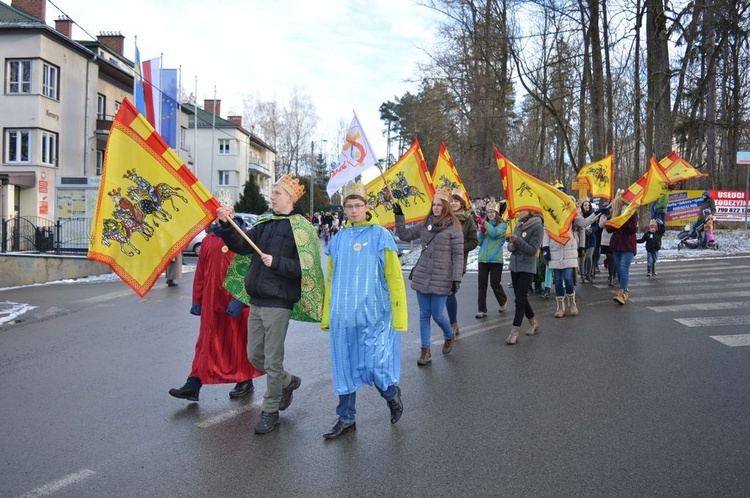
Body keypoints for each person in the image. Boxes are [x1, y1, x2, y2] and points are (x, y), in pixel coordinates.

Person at [216, 174, 324, 435]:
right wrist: (226, 225)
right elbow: (242, 246)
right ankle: (288, 382)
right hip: (257, 300)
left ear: (290, 198)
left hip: (279, 302)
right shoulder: (265, 222)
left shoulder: (302, 229)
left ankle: (270, 410)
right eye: (273, 192)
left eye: (276, 193)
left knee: (273, 360)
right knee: (255, 356)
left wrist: (276, 262)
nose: (271, 197)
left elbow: (305, 270)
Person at [320, 182, 407, 440]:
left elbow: (393, 277)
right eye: (349, 206)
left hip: (374, 316)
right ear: (344, 209)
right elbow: (332, 280)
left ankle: (391, 394)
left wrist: (399, 315)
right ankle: (346, 418)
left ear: (367, 207)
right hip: (343, 317)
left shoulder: (380, 236)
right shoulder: (339, 239)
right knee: (344, 368)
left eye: (358, 206)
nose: (354, 210)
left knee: (374, 364)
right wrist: (328, 315)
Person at [169, 226, 264, 402]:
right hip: (211, 302)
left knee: (236, 342)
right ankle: (194, 383)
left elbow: (252, 271)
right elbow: (201, 274)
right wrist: (197, 301)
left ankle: (245, 379)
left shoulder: (242, 239)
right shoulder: (208, 240)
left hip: (234, 302)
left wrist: (242, 299)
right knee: (206, 342)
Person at [394, 186, 463, 366]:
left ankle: (449, 335)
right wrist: (399, 216)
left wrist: (456, 279)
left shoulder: (455, 228)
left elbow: (458, 255)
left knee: (437, 314)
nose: (436, 208)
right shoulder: (426, 224)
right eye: (434, 204)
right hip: (423, 274)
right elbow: (405, 235)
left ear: (446, 206)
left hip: (443, 276)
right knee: (424, 314)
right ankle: (425, 351)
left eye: (439, 205)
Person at [542, 199, 600, 318]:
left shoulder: (572, 214)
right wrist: (546, 248)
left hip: (569, 249)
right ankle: (560, 307)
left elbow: (583, 224)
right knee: (557, 281)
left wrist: (597, 213)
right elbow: (546, 231)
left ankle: (572, 303)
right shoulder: (551, 215)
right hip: (555, 250)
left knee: (568, 279)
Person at [506, 210, 544, 345]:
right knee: (519, 297)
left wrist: (517, 241)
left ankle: (515, 330)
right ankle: (533, 322)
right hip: (515, 266)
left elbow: (533, 250)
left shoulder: (538, 227)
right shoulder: (518, 224)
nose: (519, 211)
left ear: (530, 211)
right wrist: (511, 246)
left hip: (527, 267)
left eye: (523, 209)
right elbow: (512, 246)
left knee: (520, 299)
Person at [446, 188, 478, 338]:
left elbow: (474, 241)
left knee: (450, 292)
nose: (453, 203)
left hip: (458, 262)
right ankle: (450, 323)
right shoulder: (444, 217)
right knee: (443, 293)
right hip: (443, 261)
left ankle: (453, 324)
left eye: (456, 201)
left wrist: (459, 248)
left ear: (462, 203)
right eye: (451, 201)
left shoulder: (467, 219)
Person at [476, 201, 508, 318]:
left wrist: (485, 224)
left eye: (492, 212)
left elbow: (494, 234)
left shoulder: (502, 225)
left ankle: (503, 300)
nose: (490, 214)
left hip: (495, 259)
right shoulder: (485, 225)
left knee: (495, 283)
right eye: (488, 212)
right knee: (482, 284)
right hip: (483, 259)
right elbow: (479, 242)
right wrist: (481, 232)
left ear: (496, 213)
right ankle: (481, 309)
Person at [607, 196, 637, 305]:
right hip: (616, 245)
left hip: (628, 245)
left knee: (623, 268)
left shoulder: (632, 212)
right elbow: (609, 229)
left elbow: (633, 229)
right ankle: (624, 288)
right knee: (619, 269)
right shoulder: (615, 212)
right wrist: (612, 218)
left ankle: (622, 293)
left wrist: (624, 220)